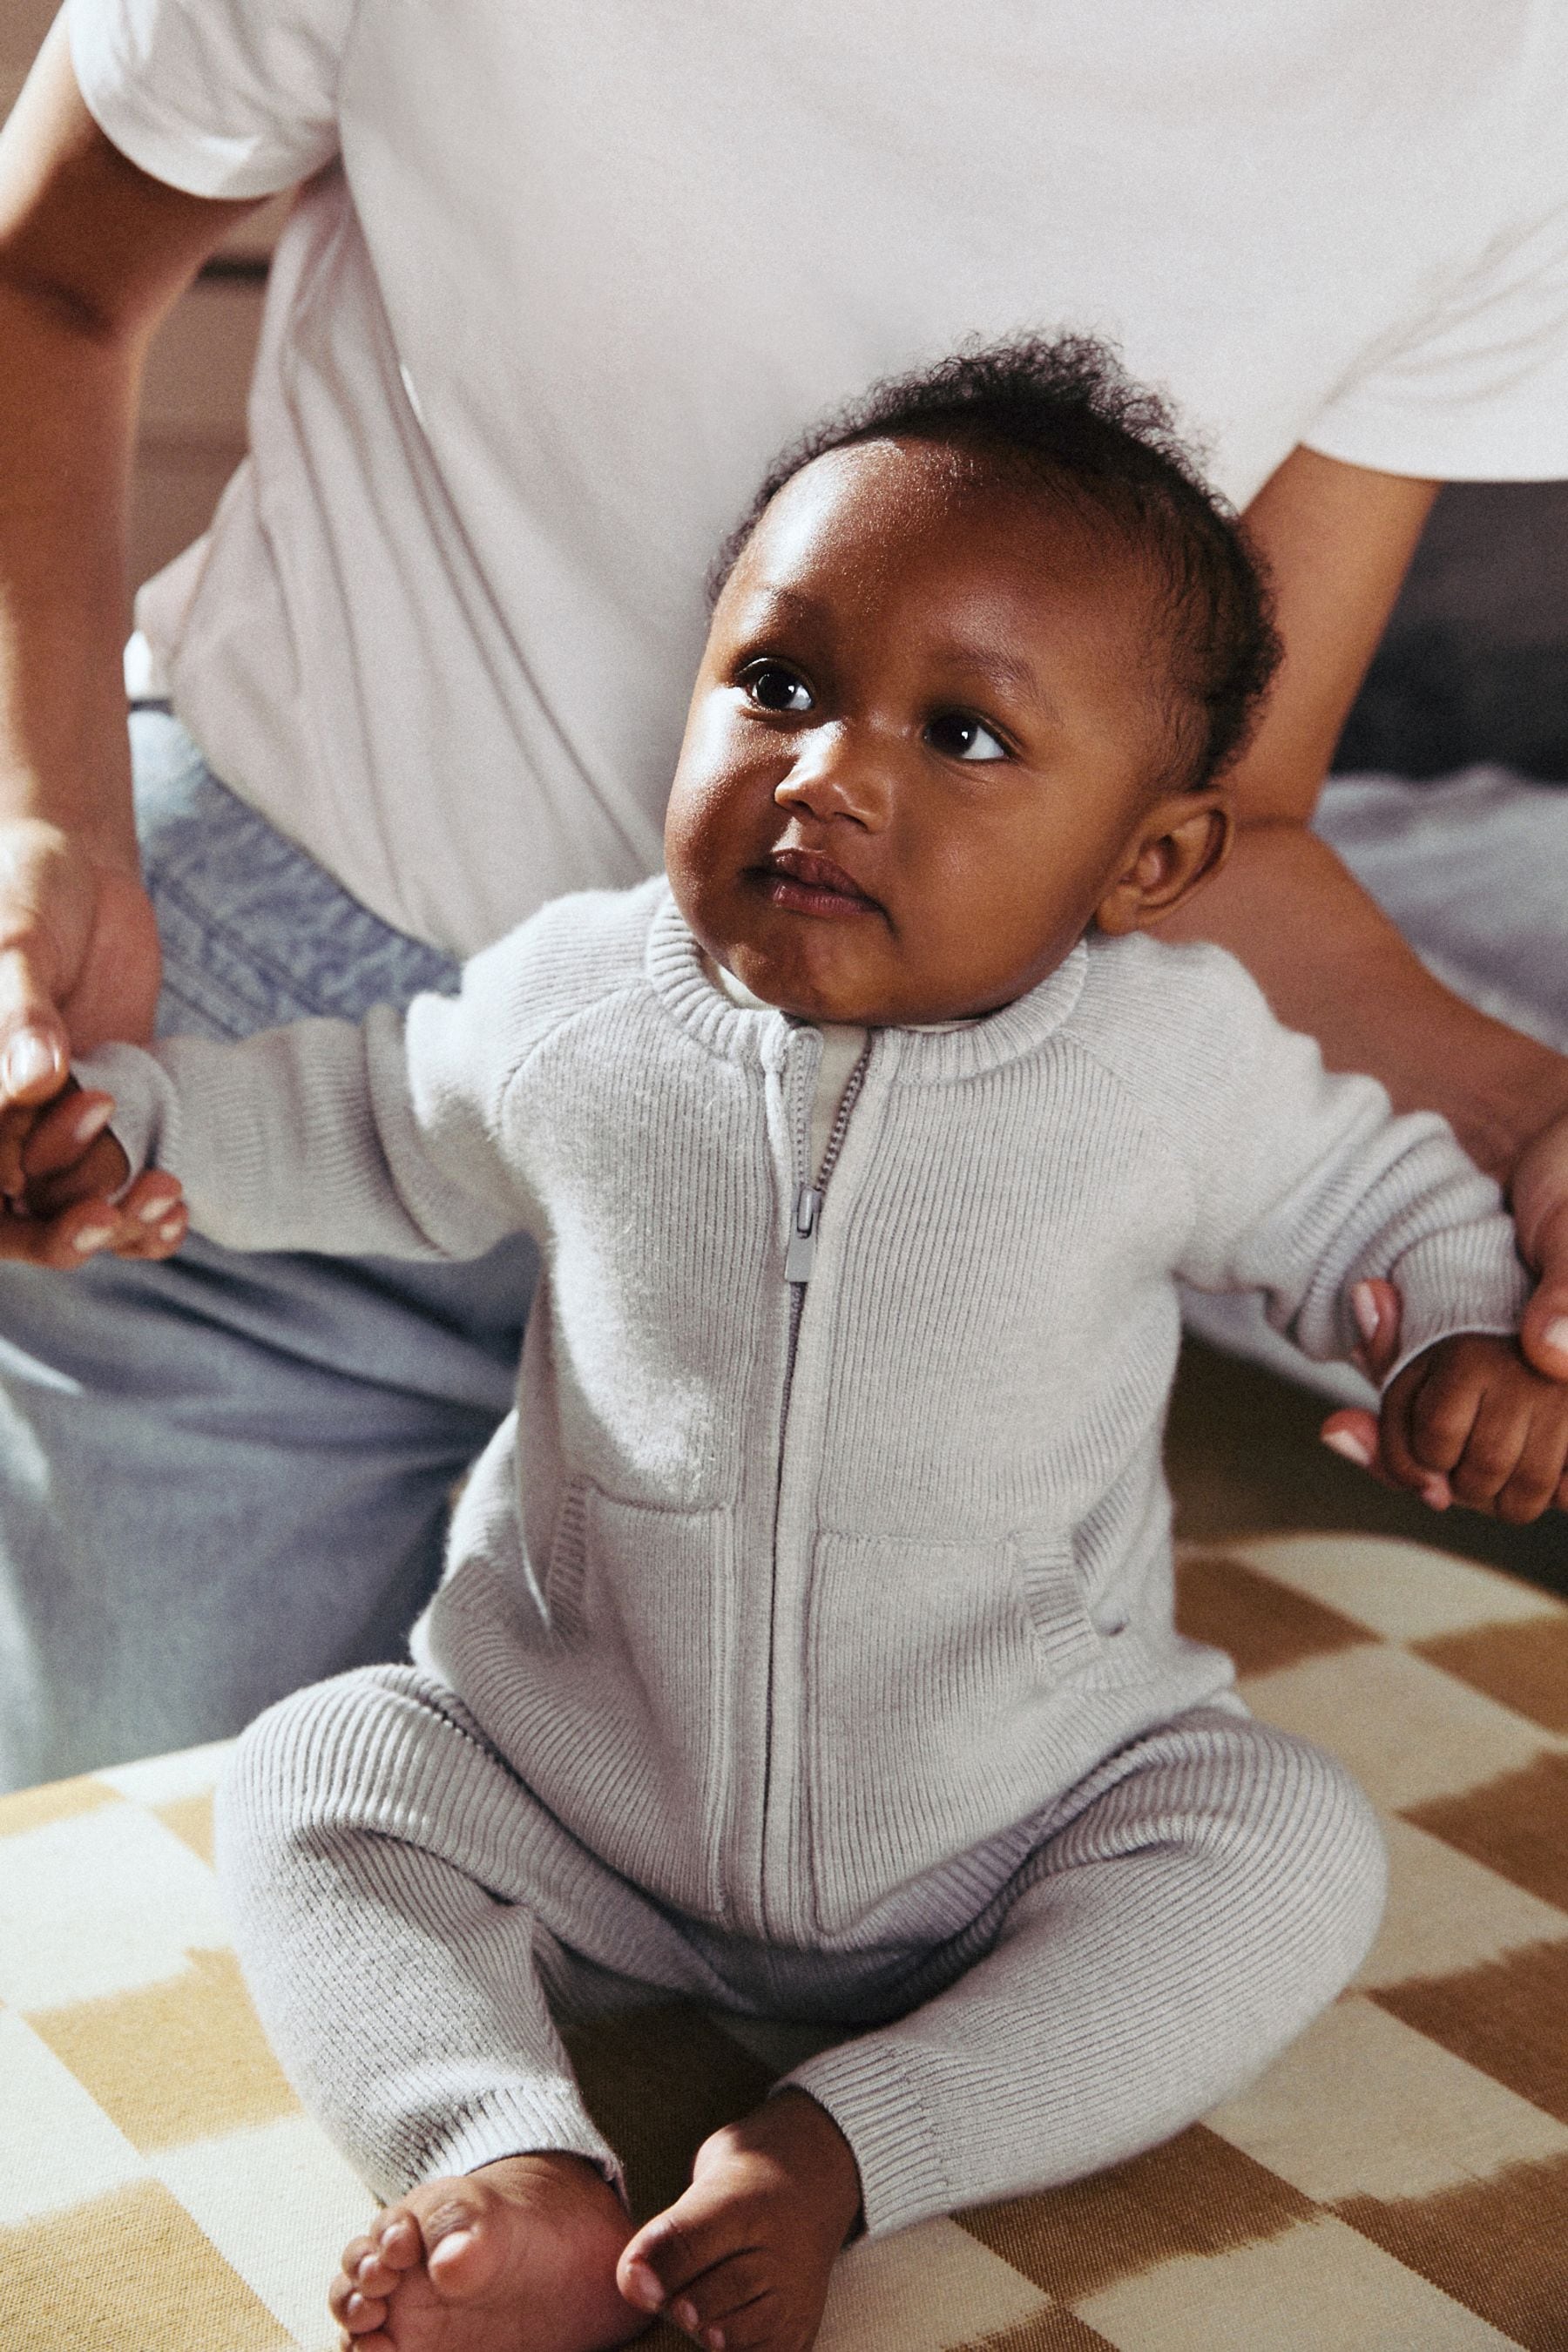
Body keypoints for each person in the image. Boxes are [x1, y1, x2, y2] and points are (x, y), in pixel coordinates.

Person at [15, 342, 1566, 2352]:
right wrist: (126, 1127)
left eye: (967, 735)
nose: (833, 769)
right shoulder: (588, 1007)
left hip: (1019, 1818)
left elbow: (1387, 1207)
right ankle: (504, 2154)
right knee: (319, 1771)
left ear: (1149, 861)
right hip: (584, 1799)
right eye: (777, 685)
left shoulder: (1171, 1068)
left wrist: (1461, 1341)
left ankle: (841, 2148)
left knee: (1290, 1846)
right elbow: (363, 1117)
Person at [3, 2, 1568, 1792]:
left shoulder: (1498, 60)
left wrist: (1526, 1118)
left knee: (787, 1960)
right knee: (184, 1965)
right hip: (273, 1075)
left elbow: (1203, 831)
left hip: (898, 1192)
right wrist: (47, 820)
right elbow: (41, 282)